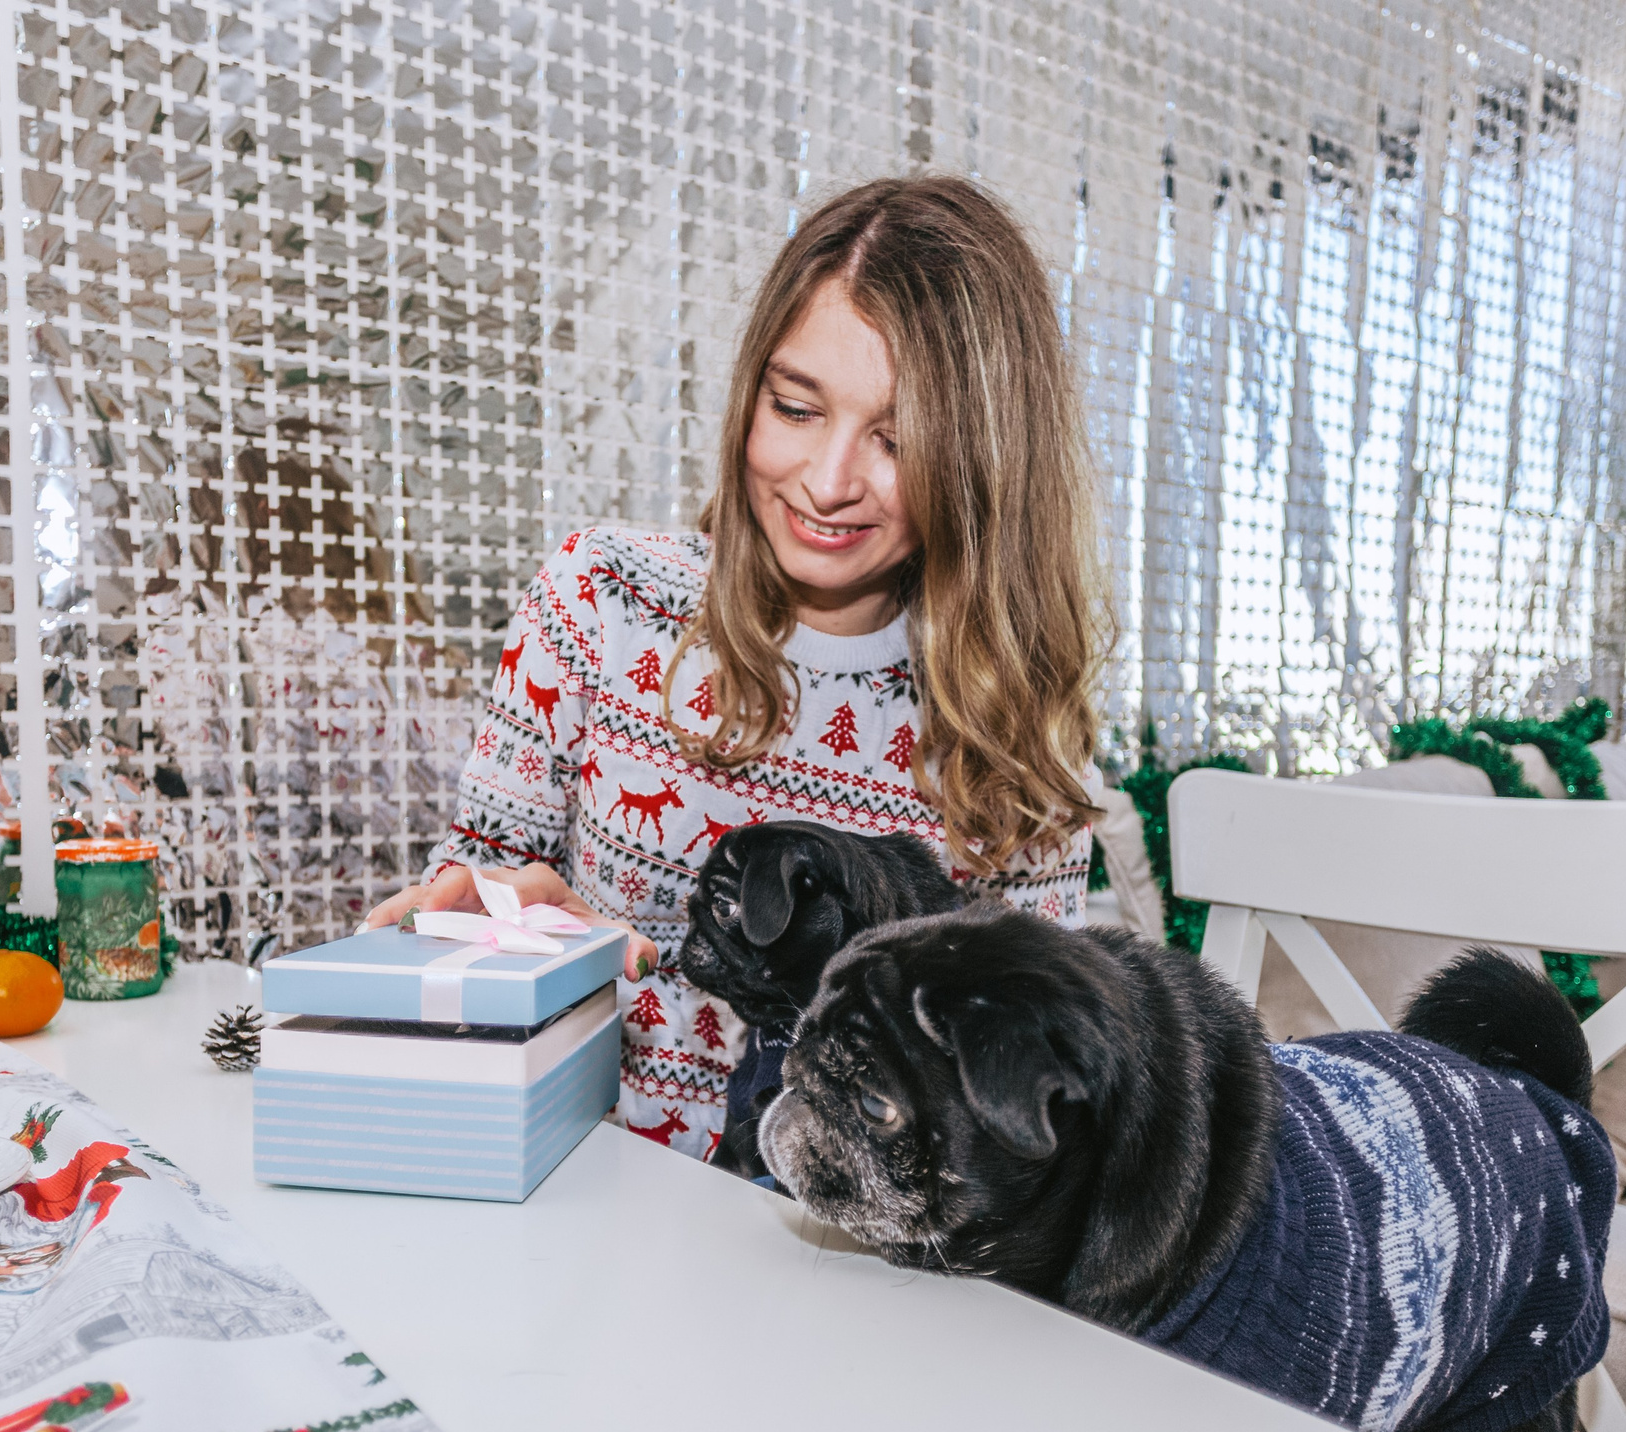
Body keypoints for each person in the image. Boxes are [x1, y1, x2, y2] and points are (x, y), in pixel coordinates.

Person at [366, 177, 1108, 1162]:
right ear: (749, 388)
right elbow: (452, 918)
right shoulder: (603, 600)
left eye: (896, 440)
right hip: (574, 1207)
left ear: (983, 461)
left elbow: (1004, 1136)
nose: (828, 480)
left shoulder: (1015, 737)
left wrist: (637, 982)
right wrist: (497, 929)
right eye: (795, 407)